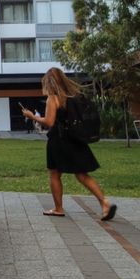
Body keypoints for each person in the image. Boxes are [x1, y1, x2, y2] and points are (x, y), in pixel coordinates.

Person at [21, 68, 116, 221]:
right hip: (76, 139)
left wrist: (32, 116)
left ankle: (58, 208)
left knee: (54, 174)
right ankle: (105, 203)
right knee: (82, 174)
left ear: (49, 82)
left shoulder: (53, 98)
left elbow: (49, 122)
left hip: (59, 141)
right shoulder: (74, 96)